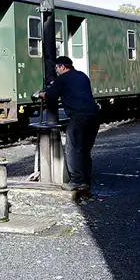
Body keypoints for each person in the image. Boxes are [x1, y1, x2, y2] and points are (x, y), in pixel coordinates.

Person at [38, 55, 101, 190]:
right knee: (84, 149)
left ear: (62, 66)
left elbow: (50, 96)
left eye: (57, 67)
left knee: (73, 149)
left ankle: (77, 182)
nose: (56, 70)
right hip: (94, 115)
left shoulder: (62, 79)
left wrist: (41, 94)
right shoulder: (82, 76)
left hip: (79, 117)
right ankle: (86, 180)